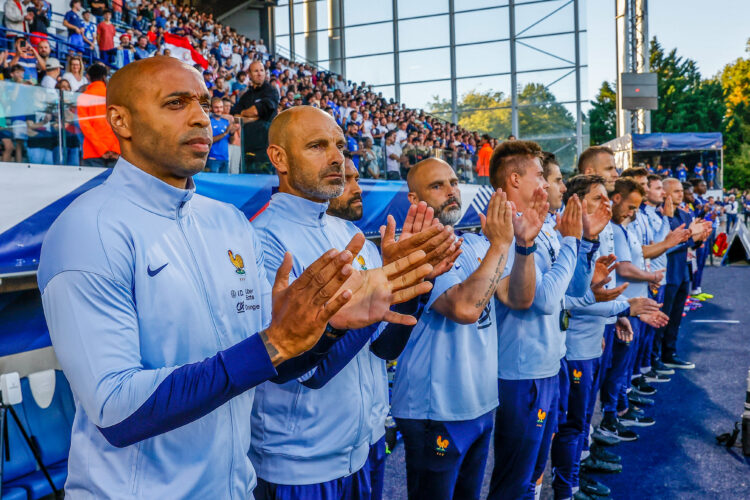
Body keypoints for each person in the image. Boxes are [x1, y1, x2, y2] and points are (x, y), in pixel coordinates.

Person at [38, 55, 363, 499]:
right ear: (121, 120)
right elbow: (115, 409)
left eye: (205, 103)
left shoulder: (228, 222)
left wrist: (322, 332)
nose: (200, 118)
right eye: (176, 103)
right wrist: (275, 342)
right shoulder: (89, 229)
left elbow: (266, 367)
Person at [251, 106, 451, 500]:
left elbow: (384, 347)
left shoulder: (348, 232)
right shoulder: (263, 240)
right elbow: (304, 371)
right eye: (317, 145)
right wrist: (357, 312)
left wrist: (414, 284)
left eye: (340, 146)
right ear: (279, 158)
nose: (336, 157)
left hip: (367, 446)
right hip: (300, 461)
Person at [392, 157, 538, 500]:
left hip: (479, 403)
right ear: (414, 200)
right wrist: (501, 245)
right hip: (436, 408)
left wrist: (523, 246)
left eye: (454, 182)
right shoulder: (414, 249)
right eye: (437, 186)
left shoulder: (473, 244)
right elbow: (464, 308)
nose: (451, 191)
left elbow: (519, 298)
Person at [487, 140, 601, 500]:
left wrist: (586, 242)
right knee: (515, 479)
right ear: (516, 179)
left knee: (534, 474)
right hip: (522, 374)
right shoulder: (502, 234)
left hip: (549, 365)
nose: (558, 185)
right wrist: (572, 244)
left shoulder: (549, 229)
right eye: (542, 175)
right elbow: (545, 302)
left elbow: (576, 290)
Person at [655, 179, 711, 371]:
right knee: (662, 318)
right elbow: (664, 246)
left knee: (676, 318)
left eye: (681, 191)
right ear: (666, 193)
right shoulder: (661, 215)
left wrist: (699, 238)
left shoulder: (685, 215)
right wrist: (689, 238)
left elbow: (690, 244)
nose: (681, 194)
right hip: (667, 275)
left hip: (682, 273)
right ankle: (655, 358)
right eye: (677, 191)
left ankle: (670, 353)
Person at [230, 60, 279, 172]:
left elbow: (257, 111)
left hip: (265, 149)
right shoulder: (246, 95)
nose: (259, 73)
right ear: (250, 74)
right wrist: (249, 116)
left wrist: (246, 114)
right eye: (256, 71)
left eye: (262, 70)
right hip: (247, 147)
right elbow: (236, 116)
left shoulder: (271, 91)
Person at [77, 62, 120, 167]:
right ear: (104, 77)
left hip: (92, 151)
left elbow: (85, 126)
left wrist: (101, 149)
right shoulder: (114, 96)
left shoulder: (83, 97)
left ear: (88, 77)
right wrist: (115, 148)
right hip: (115, 151)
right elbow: (120, 124)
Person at [206, 96, 237, 173]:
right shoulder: (208, 122)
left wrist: (232, 133)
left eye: (221, 107)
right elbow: (209, 140)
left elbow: (231, 142)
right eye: (216, 107)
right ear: (211, 108)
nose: (219, 110)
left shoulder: (226, 122)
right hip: (213, 159)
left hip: (225, 158)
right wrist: (225, 133)